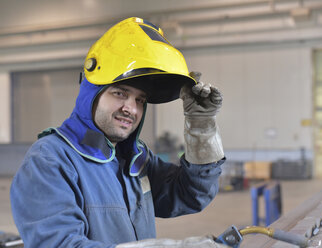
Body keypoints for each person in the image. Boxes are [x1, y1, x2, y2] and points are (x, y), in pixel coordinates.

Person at [10, 17, 227, 248]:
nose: (131, 109)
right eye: (120, 93)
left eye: (140, 100)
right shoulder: (50, 159)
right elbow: (59, 244)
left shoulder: (135, 157)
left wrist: (201, 126)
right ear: (91, 93)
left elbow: (190, 195)